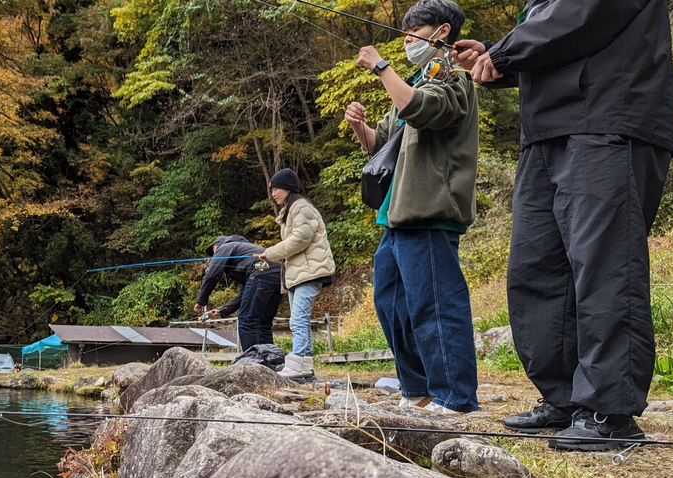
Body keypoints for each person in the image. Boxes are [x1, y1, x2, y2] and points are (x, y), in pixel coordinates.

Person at [453, 0, 673, 450]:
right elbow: (557, 39)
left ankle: (610, 411)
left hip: (609, 120)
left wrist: (506, 52)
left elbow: (586, 14)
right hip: (546, 131)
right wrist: (495, 57)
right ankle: (566, 397)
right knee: (536, 271)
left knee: (605, 267)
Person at [346, 0, 479, 415]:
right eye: (403, 34)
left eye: (413, 33)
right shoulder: (418, 79)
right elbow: (383, 141)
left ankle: (455, 398)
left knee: (435, 305)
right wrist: (358, 127)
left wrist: (382, 68)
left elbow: (424, 110)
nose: (405, 41)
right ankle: (418, 389)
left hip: (431, 209)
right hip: (396, 213)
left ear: (441, 32)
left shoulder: (454, 77)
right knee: (392, 306)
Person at [255, 168, 335, 381]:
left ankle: (298, 359)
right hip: (300, 274)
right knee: (298, 320)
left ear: (288, 188)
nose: (273, 194)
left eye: (276, 189)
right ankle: (304, 366)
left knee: (298, 320)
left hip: (310, 273)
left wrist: (270, 253)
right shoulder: (291, 210)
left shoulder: (301, 208)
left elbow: (301, 239)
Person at [195, 235, 282, 352]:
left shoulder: (225, 246)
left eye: (213, 252)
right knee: (263, 323)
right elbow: (244, 294)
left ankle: (253, 360)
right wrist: (222, 310)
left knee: (247, 320)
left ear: (216, 246)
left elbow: (211, 275)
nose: (213, 256)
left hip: (261, 272)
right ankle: (271, 360)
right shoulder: (244, 253)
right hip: (279, 276)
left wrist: (201, 301)